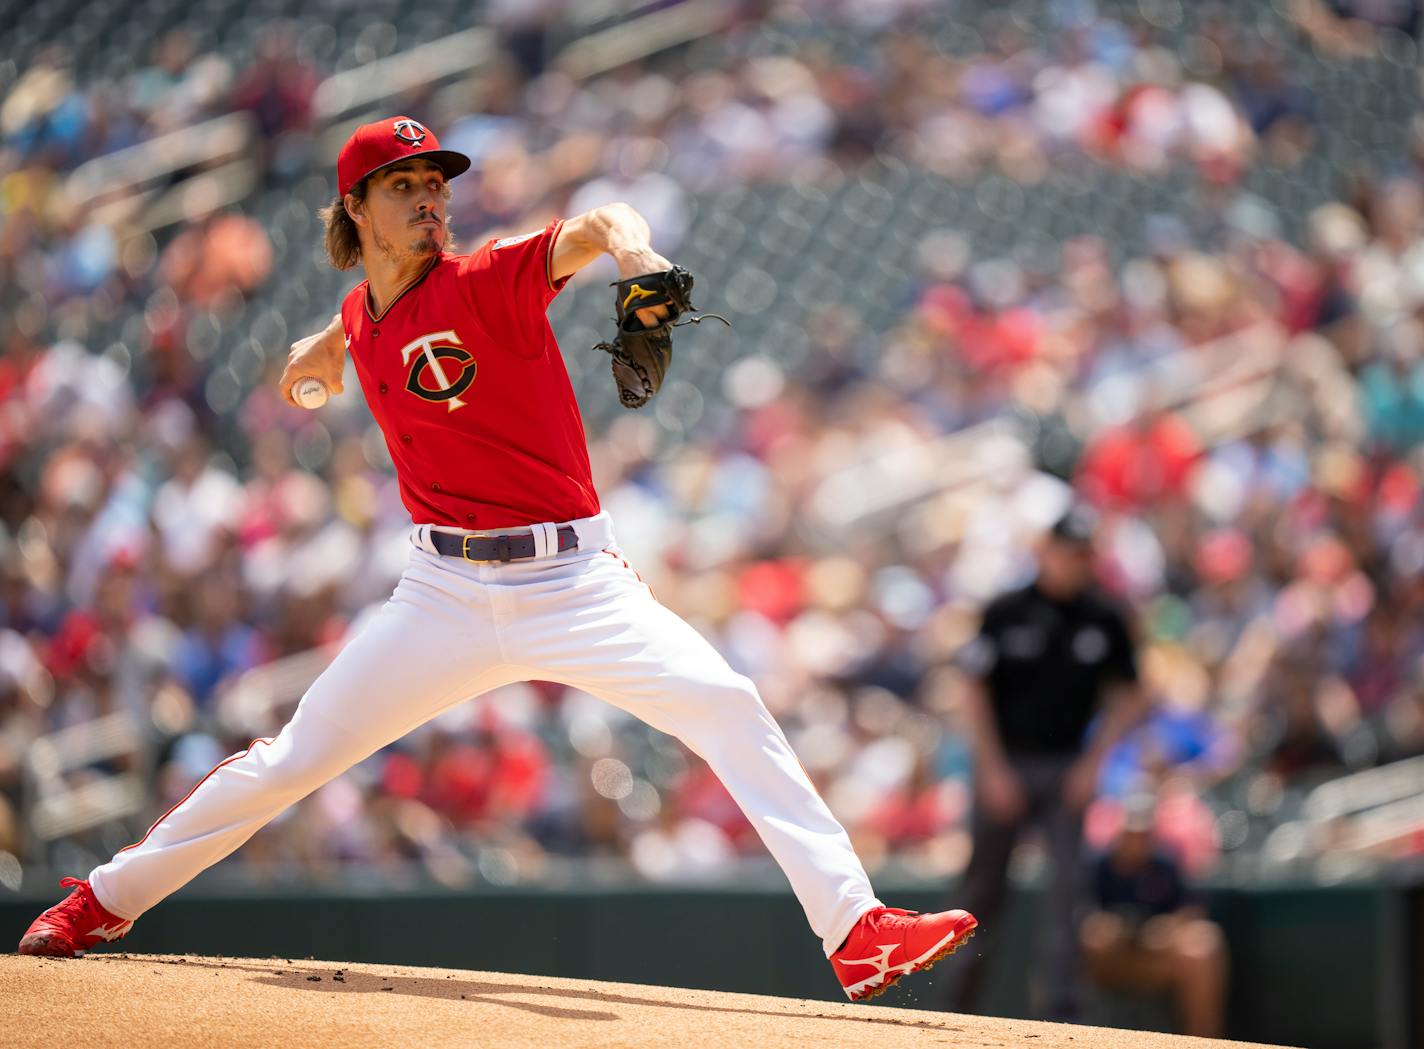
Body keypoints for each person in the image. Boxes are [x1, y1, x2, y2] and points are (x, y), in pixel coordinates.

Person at [17, 115, 976, 1002]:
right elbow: (353, 329)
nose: (431, 197)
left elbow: (600, 220)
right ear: (356, 208)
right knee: (290, 759)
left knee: (727, 703)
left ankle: (855, 929)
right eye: (405, 186)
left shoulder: (488, 277)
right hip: (442, 590)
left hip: (574, 581)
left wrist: (636, 253)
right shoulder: (363, 316)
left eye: (436, 182)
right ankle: (103, 898)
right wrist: (316, 354)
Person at [943, 504, 1147, 1020]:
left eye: (1085, 554)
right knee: (981, 891)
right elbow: (972, 689)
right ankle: (952, 1009)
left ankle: (1059, 1016)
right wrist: (989, 768)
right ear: (1045, 552)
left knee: (1067, 891)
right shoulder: (1007, 608)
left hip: (1066, 766)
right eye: (1068, 552)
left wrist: (1094, 762)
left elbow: (1129, 696)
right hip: (1006, 762)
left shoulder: (1103, 615)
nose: (1076, 562)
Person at [1079, 796, 1228, 1039]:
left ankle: (1203, 1040)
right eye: (1131, 834)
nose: (1136, 842)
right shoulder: (1099, 866)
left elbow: (1192, 910)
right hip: (1109, 958)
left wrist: (1165, 930)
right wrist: (1106, 926)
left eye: (1143, 835)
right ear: (1120, 833)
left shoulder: (1165, 864)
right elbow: (1080, 914)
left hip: (1154, 955)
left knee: (1204, 944)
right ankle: (1068, 1031)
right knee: (1083, 941)